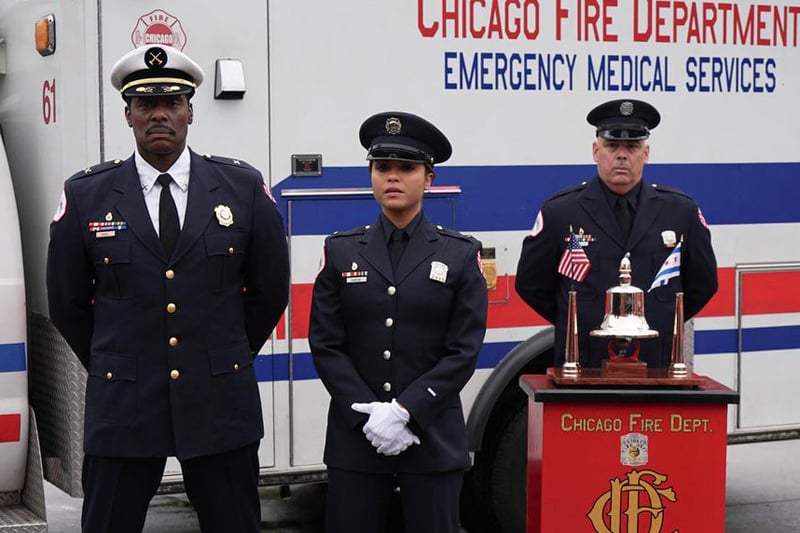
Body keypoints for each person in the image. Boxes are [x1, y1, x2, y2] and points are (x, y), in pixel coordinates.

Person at [46, 45, 290, 533]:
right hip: (124, 405)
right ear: (128, 115)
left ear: (191, 112)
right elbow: (67, 303)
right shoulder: (87, 194)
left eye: (173, 102)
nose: (160, 114)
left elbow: (269, 291)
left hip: (219, 401)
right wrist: (118, 362)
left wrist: (225, 353)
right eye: (145, 104)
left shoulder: (241, 188)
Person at [309, 111, 488, 532]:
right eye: (382, 167)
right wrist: (370, 415)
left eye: (406, 168)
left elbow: (463, 351)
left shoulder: (459, 253)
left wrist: (407, 410)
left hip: (432, 439)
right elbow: (326, 344)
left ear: (428, 178)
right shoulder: (340, 251)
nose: (392, 177)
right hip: (357, 440)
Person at [515, 98, 718, 368]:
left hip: (657, 365)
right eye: (612, 146)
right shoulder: (561, 213)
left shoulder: (680, 212)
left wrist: (661, 320)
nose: (622, 155)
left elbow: (703, 283)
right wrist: (575, 322)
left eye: (632, 147)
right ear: (595, 151)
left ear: (645, 154)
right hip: (584, 364)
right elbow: (530, 284)